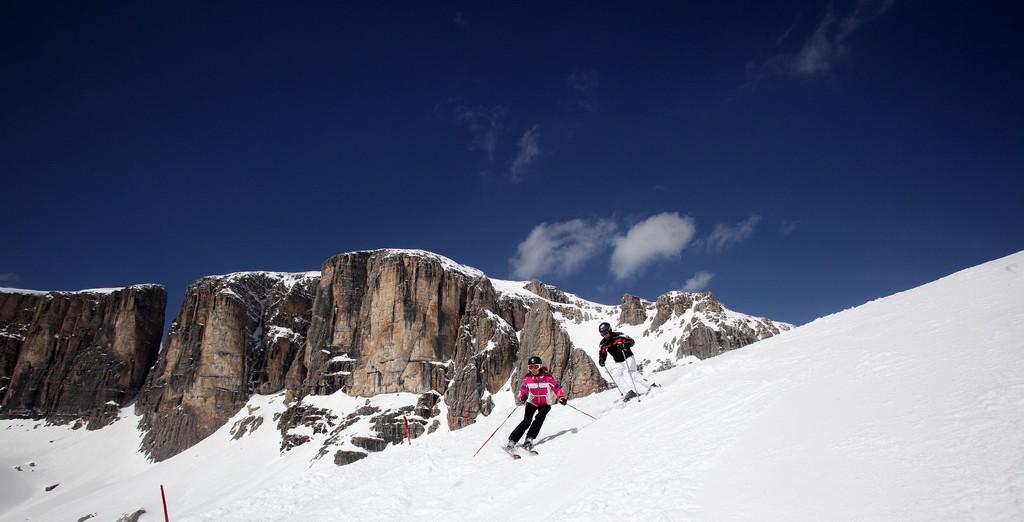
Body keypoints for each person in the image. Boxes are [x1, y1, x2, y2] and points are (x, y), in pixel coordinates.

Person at [507, 356, 566, 451]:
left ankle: (529, 439)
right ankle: (512, 441)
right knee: (526, 421)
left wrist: (561, 397)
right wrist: (522, 396)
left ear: (540, 366)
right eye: (530, 367)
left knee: (539, 418)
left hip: (545, 403)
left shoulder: (547, 377)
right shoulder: (528, 378)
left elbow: (556, 387)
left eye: (535, 366)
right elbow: (523, 389)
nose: (533, 369)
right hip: (532, 402)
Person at [597, 321, 655, 400]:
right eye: (602, 334)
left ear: (610, 330)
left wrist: (624, 345)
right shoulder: (603, 343)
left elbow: (631, 341)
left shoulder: (619, 335)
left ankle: (651, 385)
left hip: (628, 357)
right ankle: (630, 392)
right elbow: (603, 353)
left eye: (606, 333)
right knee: (616, 375)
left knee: (632, 373)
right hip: (618, 362)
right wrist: (602, 360)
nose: (605, 335)